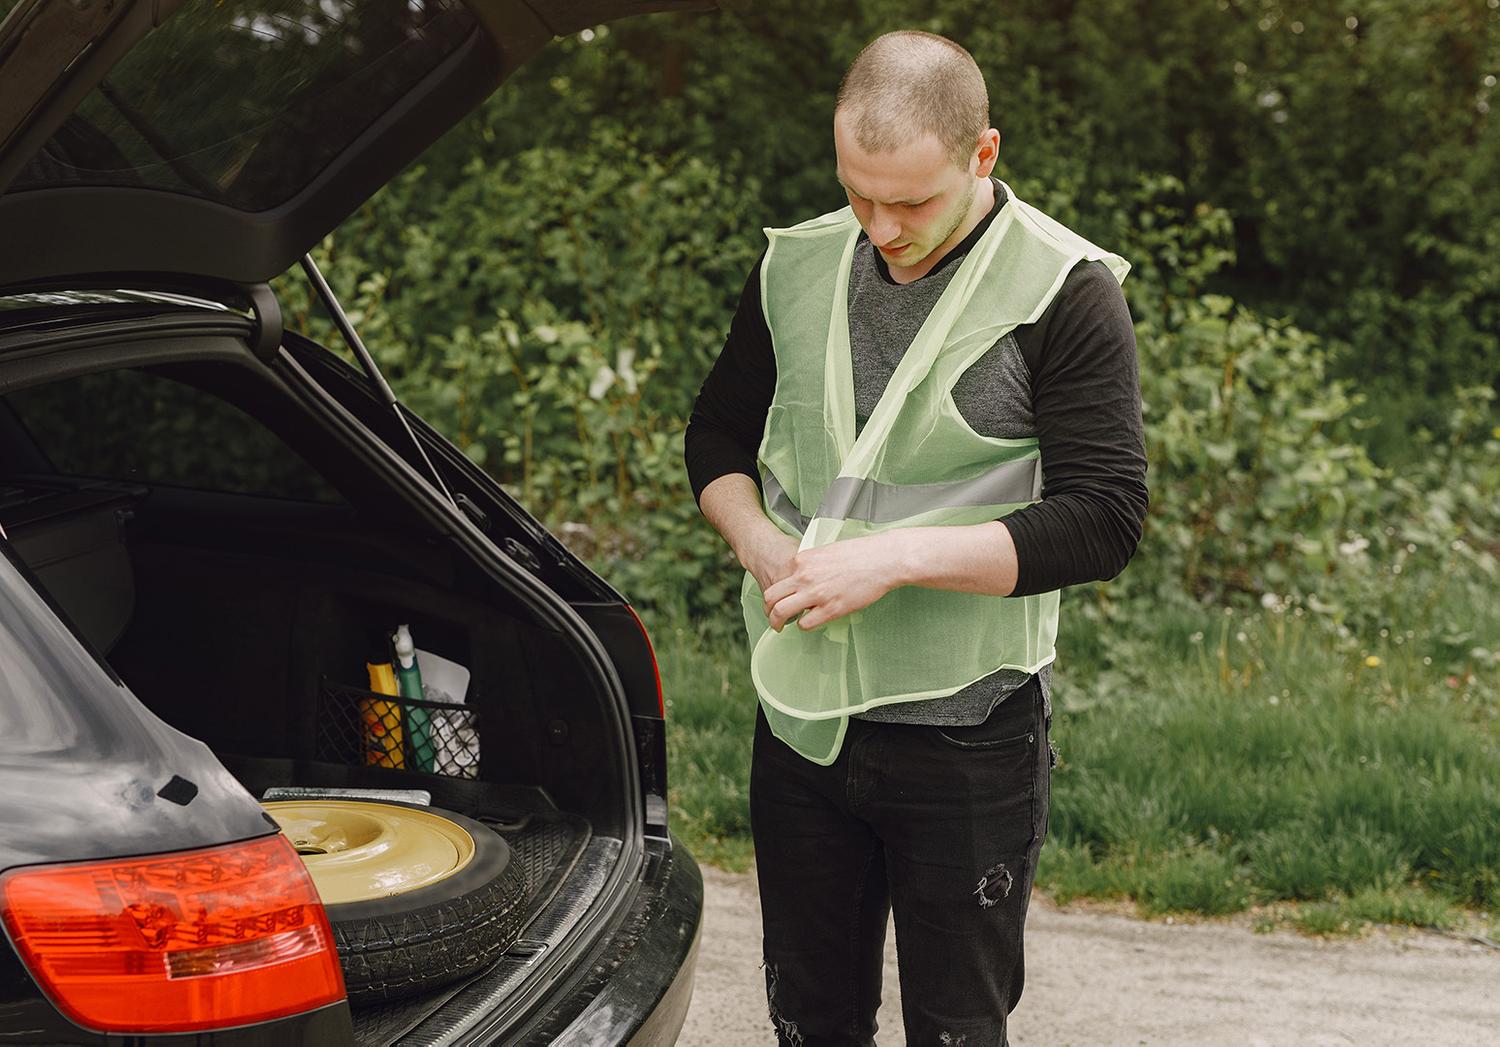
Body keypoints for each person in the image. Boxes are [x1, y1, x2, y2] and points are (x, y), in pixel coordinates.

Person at [684, 29, 1148, 1047]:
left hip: (968, 738)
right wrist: (764, 546)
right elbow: (715, 436)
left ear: (983, 155)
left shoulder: (1065, 291)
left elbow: (1106, 518)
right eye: (860, 194)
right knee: (809, 1020)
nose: (883, 228)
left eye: (912, 202)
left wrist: (890, 560)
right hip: (804, 723)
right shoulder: (799, 266)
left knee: (956, 1028)